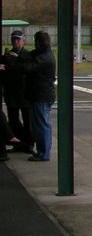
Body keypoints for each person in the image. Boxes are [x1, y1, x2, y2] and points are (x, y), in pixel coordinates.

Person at [25, 30, 56, 162]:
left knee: (42, 124)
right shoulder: (46, 55)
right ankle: (42, 151)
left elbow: (29, 67)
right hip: (42, 94)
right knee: (41, 123)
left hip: (41, 95)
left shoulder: (44, 58)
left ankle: (43, 153)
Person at [1, 29, 32, 153]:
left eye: (18, 39)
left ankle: (29, 144)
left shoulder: (27, 55)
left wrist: (16, 60)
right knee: (13, 120)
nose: (16, 42)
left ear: (23, 41)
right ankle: (18, 143)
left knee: (28, 120)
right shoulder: (7, 56)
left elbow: (28, 69)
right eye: (14, 39)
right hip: (11, 92)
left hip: (24, 92)